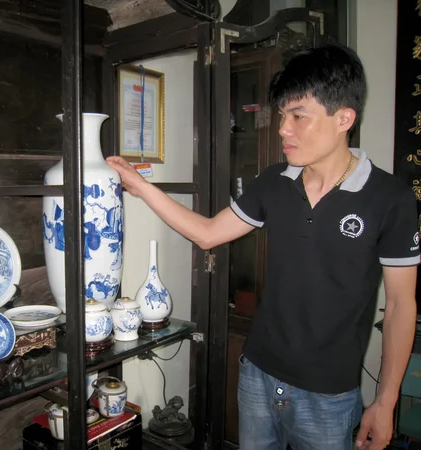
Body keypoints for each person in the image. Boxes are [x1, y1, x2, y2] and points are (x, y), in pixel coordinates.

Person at [106, 44, 419, 450]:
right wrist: (144, 188)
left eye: (298, 116)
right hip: (257, 376)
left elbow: (399, 307)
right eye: (282, 115)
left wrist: (385, 400)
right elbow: (207, 233)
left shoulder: (390, 198)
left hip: (328, 396)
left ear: (344, 118)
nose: (283, 129)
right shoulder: (275, 182)